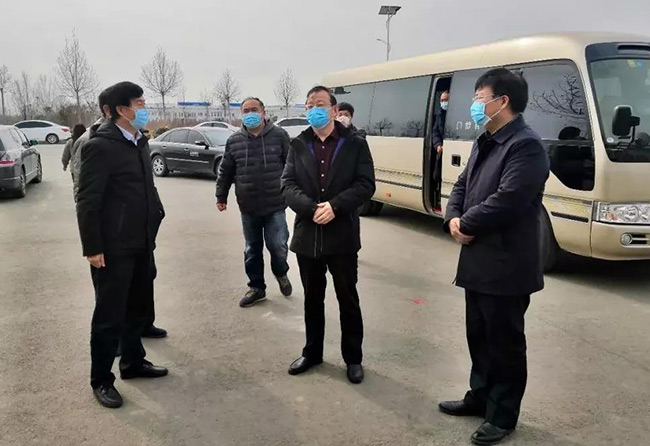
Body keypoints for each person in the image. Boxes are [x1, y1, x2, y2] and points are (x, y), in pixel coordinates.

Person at [439, 69, 550, 445]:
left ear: (503, 101)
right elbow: (462, 184)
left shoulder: (526, 146)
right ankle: (480, 396)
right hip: (477, 260)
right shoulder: (486, 140)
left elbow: (509, 199)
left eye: (479, 97)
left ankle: (502, 415)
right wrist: (453, 218)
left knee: (504, 343)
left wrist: (467, 223)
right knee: (479, 335)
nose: (474, 105)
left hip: (507, 264)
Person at [76, 81, 168, 409]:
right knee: (109, 317)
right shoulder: (100, 146)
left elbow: (146, 188)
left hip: (141, 241)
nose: (144, 109)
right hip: (113, 247)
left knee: (137, 310)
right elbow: (87, 200)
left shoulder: (139, 141)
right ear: (119, 110)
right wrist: (92, 247)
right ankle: (101, 379)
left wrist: (156, 214)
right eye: (138, 104)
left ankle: (133, 362)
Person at [282, 86, 375, 384]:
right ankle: (312, 352)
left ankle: (353, 358)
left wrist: (335, 206)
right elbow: (287, 185)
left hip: (342, 235)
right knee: (312, 298)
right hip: (308, 235)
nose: (314, 109)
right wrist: (311, 209)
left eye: (320, 104)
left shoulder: (354, 144)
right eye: (309, 105)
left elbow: (366, 184)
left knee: (348, 298)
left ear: (334, 110)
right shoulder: (298, 144)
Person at [216, 97, 293, 307]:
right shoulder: (234, 141)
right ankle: (257, 288)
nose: (250, 114)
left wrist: (294, 193)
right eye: (246, 111)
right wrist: (221, 196)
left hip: (275, 204)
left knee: (278, 246)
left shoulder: (279, 135)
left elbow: (291, 166)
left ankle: (281, 272)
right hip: (248, 206)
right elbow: (226, 170)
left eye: (254, 109)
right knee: (252, 249)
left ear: (263, 112)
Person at [432, 91, 449, 184]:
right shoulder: (439, 116)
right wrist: (438, 144)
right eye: (441, 100)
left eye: (446, 100)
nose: (443, 103)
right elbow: (435, 132)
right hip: (442, 151)